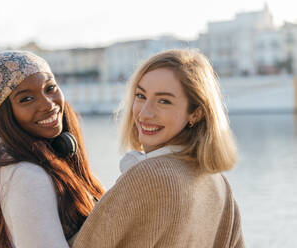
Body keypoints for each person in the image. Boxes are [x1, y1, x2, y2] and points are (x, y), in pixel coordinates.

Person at [72, 49, 245, 248]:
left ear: (196, 114)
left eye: (164, 101)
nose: (145, 113)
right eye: (140, 95)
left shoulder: (150, 176)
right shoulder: (218, 182)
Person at [0, 51, 104, 248]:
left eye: (50, 88)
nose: (47, 104)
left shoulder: (42, 159)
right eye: (26, 99)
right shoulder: (28, 178)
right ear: (6, 115)